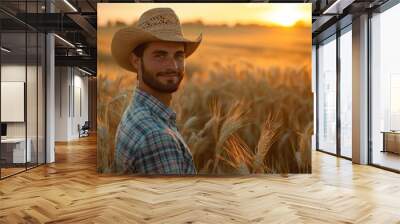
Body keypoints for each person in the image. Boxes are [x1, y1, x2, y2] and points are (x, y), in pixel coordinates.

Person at [111, 7, 202, 174]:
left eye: (178, 55)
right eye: (160, 55)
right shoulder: (157, 138)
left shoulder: (136, 112)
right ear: (136, 61)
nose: (172, 66)